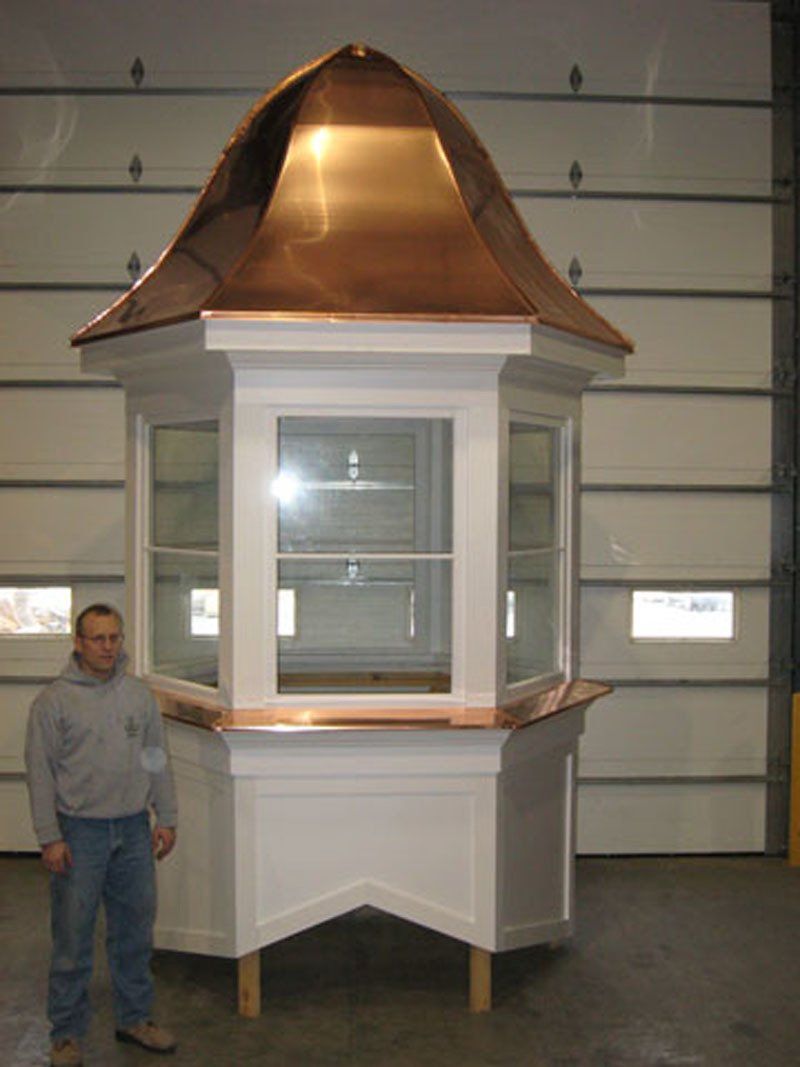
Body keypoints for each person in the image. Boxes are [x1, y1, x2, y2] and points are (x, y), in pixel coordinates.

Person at [25, 603, 178, 1067]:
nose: (108, 647)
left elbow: (155, 757)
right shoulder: (53, 703)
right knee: (72, 939)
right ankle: (66, 1034)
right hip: (79, 834)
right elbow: (40, 773)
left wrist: (165, 816)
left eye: (114, 638)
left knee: (134, 933)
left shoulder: (138, 697)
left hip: (132, 830)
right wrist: (50, 836)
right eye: (97, 638)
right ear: (78, 643)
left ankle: (134, 1018)